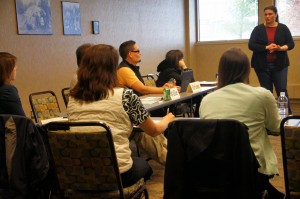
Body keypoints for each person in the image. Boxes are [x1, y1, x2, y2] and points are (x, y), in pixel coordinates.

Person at [67, 44, 175, 187]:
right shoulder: (125, 95)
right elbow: (154, 131)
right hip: (118, 174)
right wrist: (166, 120)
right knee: (145, 166)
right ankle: (178, 162)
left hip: (80, 174)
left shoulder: (73, 99)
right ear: (112, 69)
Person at [199, 48, 284, 198]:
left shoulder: (206, 100)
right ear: (247, 70)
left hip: (215, 170)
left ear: (221, 71)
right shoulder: (262, 94)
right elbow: (277, 127)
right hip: (253, 170)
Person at [248, 5, 295, 114]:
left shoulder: (283, 28)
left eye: (270, 14)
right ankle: (270, 116)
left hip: (280, 65)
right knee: (266, 92)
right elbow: (251, 45)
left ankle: (285, 116)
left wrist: (280, 48)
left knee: (282, 90)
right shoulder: (258, 29)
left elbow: (291, 44)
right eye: (265, 14)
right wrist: (266, 47)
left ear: (276, 14)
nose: (267, 16)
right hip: (262, 65)